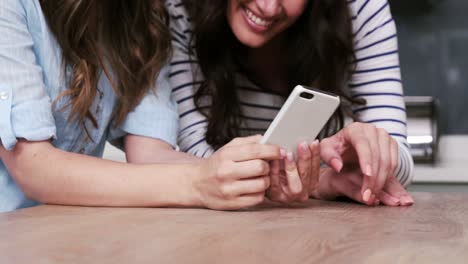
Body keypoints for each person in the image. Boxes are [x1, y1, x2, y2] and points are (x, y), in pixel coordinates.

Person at [0, 0, 282, 212]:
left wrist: (249, 177)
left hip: (64, 234)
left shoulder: (142, 15)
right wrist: (196, 183)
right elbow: (32, 167)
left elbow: (150, 154)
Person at [161, 0, 415, 206]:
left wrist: (373, 154)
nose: (267, 7)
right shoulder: (182, 8)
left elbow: (401, 165)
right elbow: (197, 158)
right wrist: (318, 181)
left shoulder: (361, 8)